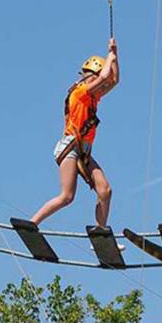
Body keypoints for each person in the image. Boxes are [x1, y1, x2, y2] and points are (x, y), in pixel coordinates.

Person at [32, 39, 119, 227]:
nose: (99, 84)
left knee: (105, 191)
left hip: (84, 152)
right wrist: (109, 58)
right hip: (70, 147)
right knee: (67, 196)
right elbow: (104, 78)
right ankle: (33, 222)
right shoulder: (80, 92)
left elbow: (113, 81)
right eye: (95, 78)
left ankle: (100, 232)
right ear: (89, 77)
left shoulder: (93, 98)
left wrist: (114, 56)